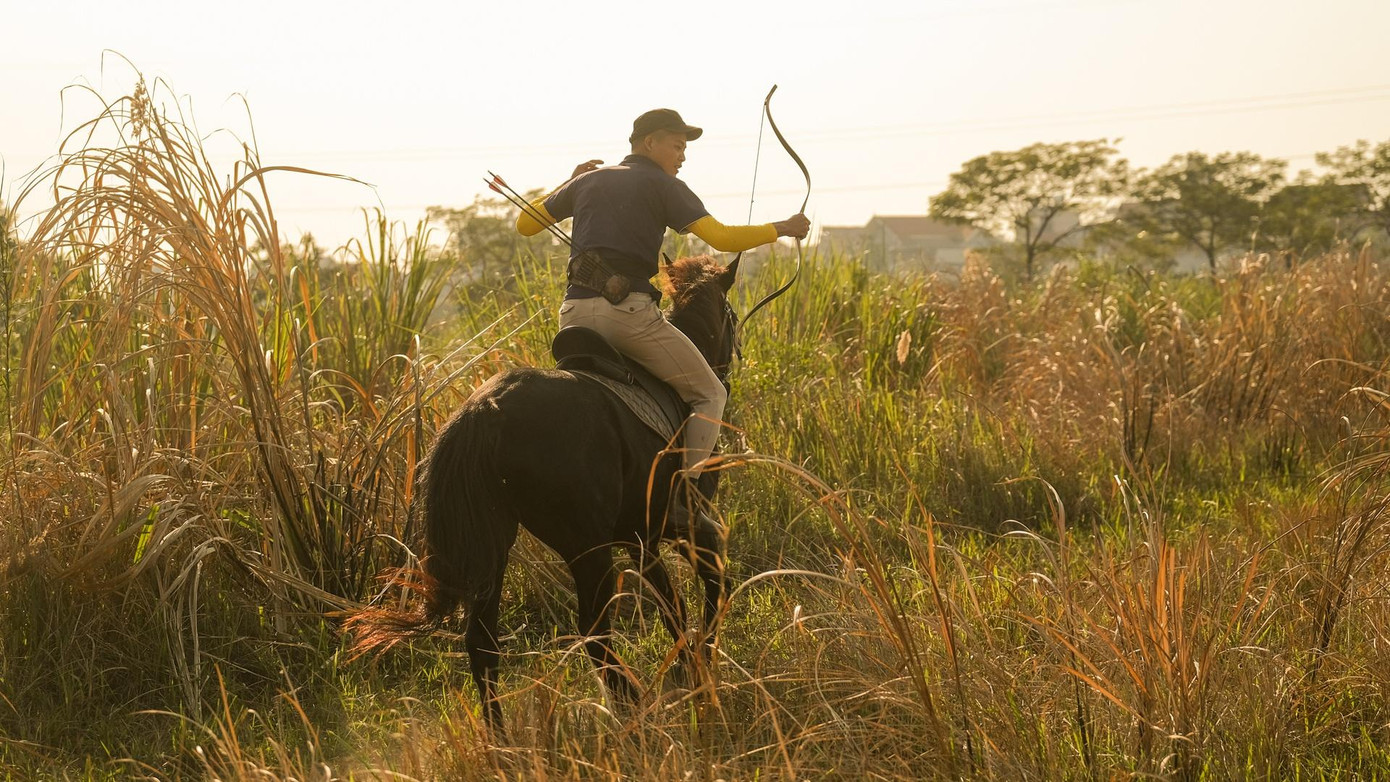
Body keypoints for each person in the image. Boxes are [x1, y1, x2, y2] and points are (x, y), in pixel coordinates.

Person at [515, 108, 810, 530]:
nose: (682, 157)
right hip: (629, 318)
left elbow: (526, 224)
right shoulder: (663, 184)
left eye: (684, 148)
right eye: (677, 146)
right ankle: (683, 497)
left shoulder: (586, 180)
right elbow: (723, 238)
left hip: (574, 317)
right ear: (649, 143)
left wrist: (569, 180)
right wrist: (783, 226)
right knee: (710, 394)